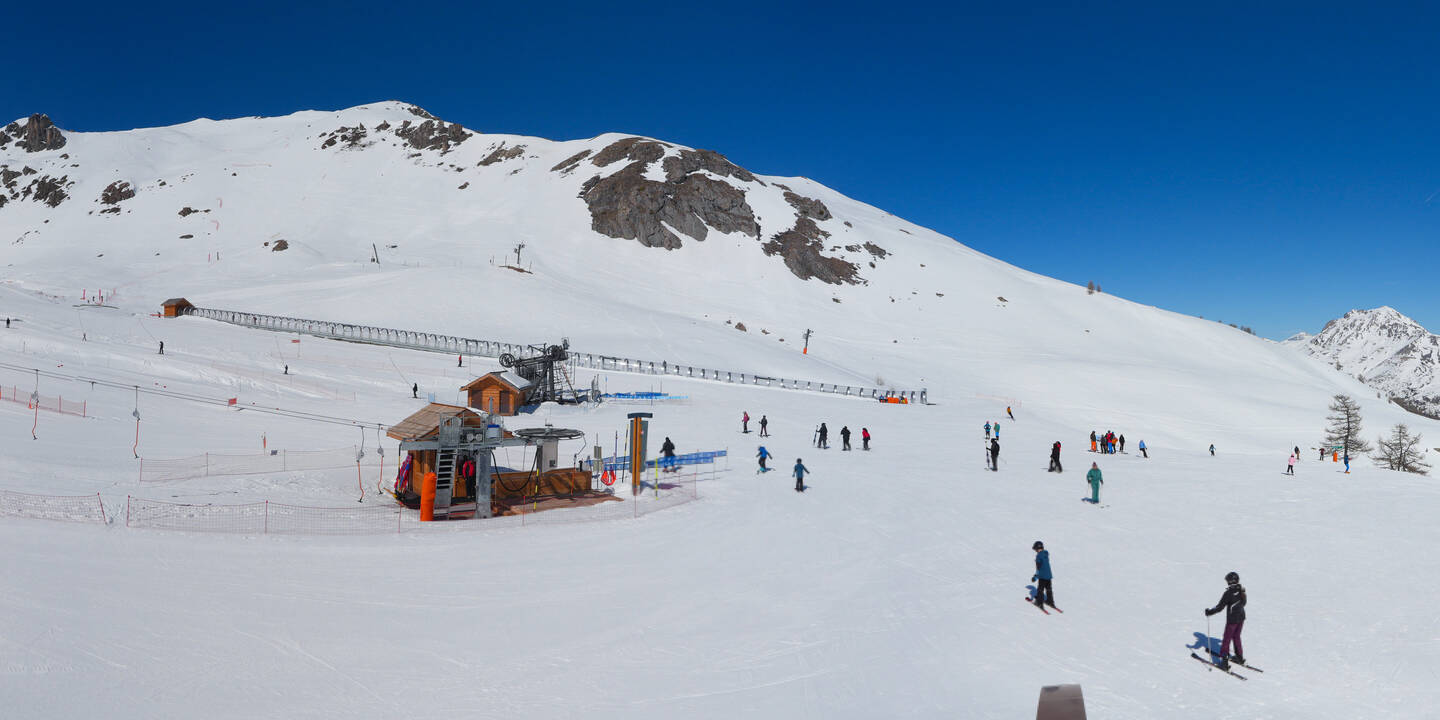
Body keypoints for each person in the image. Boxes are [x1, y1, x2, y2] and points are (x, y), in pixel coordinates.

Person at [1204, 571, 1247, 670]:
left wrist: (1209, 612)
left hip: (1232, 620)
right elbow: (1244, 603)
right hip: (1241, 618)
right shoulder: (1241, 590)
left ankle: (1224, 662)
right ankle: (1239, 657)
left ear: (1230, 581)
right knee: (1236, 636)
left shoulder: (1228, 593)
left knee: (1226, 639)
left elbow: (1219, 607)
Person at [1032, 541, 1054, 608]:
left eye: (1035, 549)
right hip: (1049, 575)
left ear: (1037, 548)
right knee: (1048, 589)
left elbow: (1038, 568)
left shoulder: (1039, 556)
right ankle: (1050, 601)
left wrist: (1035, 577)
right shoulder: (1045, 554)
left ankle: (1039, 602)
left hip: (1043, 576)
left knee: (1040, 589)